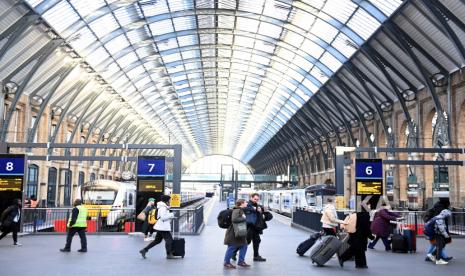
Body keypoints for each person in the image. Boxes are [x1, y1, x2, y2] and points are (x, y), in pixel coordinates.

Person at [139, 195, 175, 259]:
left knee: (157, 241)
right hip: (163, 227)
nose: (170, 201)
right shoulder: (162, 208)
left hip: (161, 226)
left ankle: (144, 250)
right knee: (169, 240)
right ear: (166, 200)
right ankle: (169, 254)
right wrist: (171, 214)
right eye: (169, 200)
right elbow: (163, 217)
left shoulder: (164, 207)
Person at [223, 199, 251, 269]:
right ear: (241, 203)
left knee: (244, 245)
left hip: (238, 231)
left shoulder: (240, 210)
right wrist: (244, 218)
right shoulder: (237, 210)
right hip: (234, 233)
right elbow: (234, 219)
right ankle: (227, 262)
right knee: (232, 247)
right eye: (245, 202)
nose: (246, 203)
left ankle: (241, 261)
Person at [242, 193, 266, 261]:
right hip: (250, 226)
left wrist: (261, 209)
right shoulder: (248, 204)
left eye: (257, 199)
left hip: (255, 227)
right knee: (246, 241)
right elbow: (245, 208)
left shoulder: (257, 205)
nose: (256, 200)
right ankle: (234, 253)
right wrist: (255, 209)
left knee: (257, 241)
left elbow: (260, 209)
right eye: (255, 199)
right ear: (251, 198)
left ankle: (256, 256)